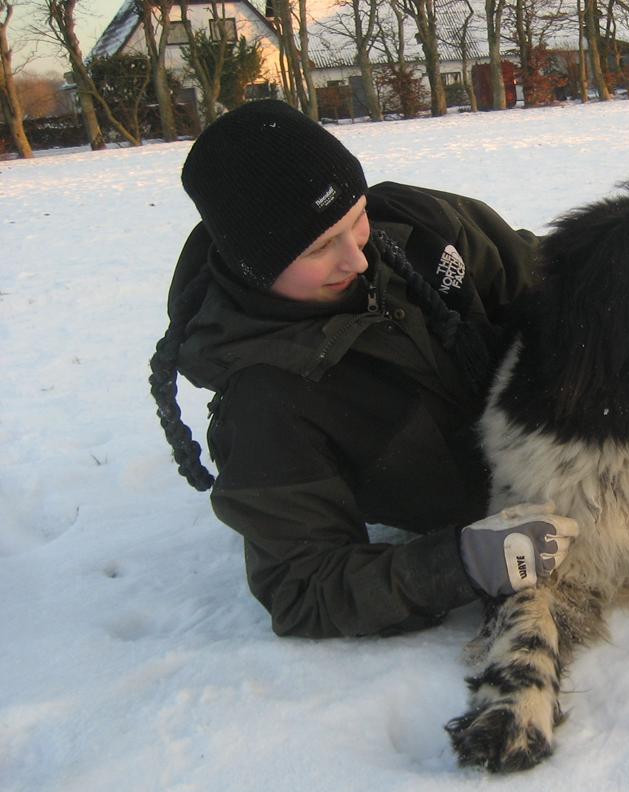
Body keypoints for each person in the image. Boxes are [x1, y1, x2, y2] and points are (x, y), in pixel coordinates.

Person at [149, 100, 577, 639]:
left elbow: (565, 285)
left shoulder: (421, 226)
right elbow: (303, 587)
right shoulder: (267, 397)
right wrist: (460, 563)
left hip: (578, 447)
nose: (356, 258)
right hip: (486, 506)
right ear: (256, 267)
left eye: (355, 221)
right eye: (320, 248)